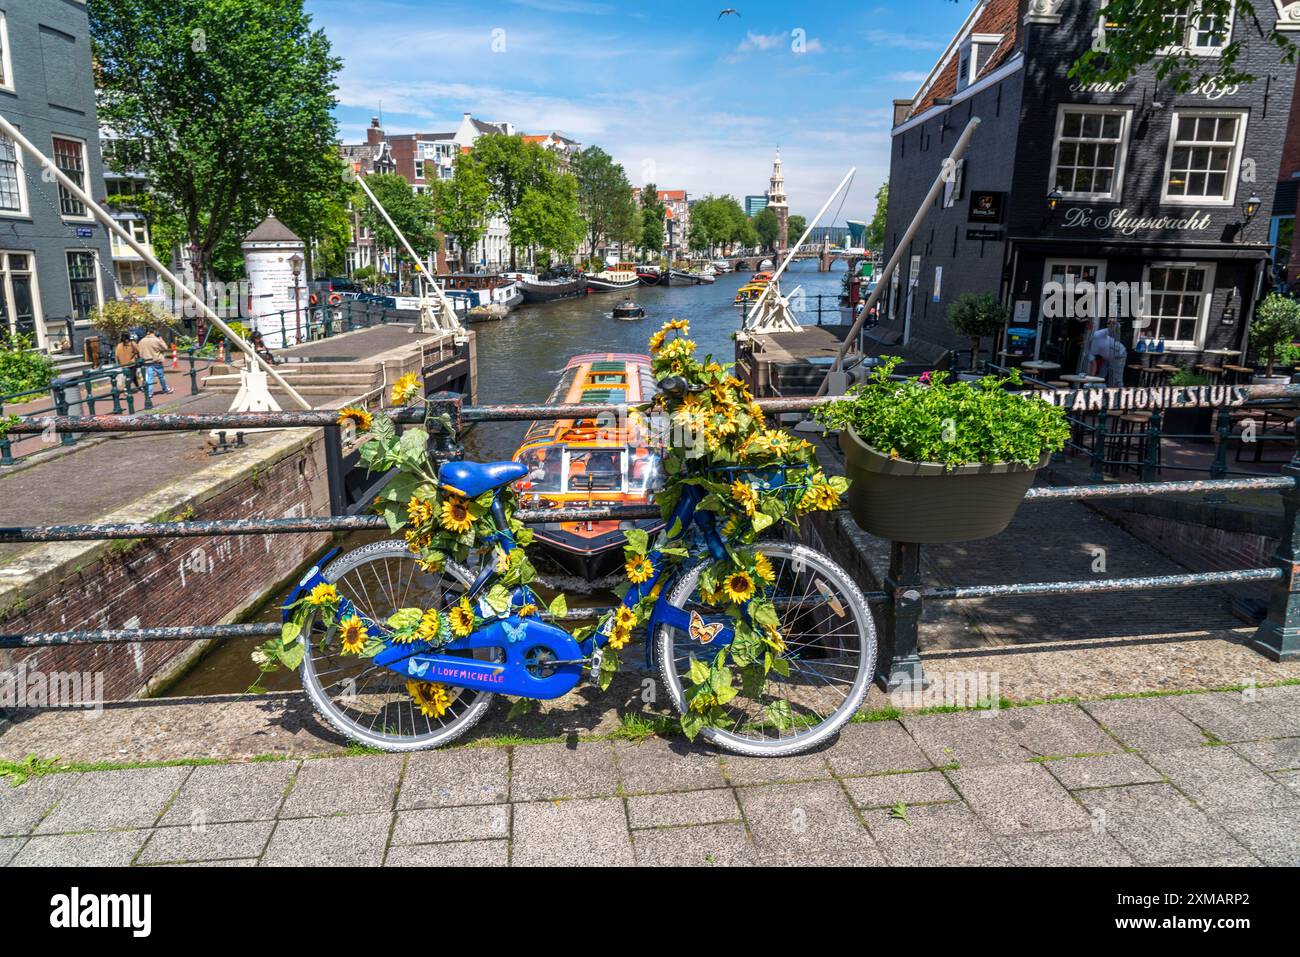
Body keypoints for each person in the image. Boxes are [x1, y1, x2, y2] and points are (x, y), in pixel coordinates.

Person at [1088, 322, 1127, 387]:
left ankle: (1119, 394)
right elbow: (1094, 366)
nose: (1081, 344)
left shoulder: (1096, 335)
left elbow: (1110, 330)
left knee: (1116, 379)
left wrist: (1114, 325)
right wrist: (1088, 380)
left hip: (1119, 354)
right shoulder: (1088, 351)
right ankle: (1096, 391)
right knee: (1100, 376)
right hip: (1108, 358)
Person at [137, 327, 173, 398]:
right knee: (161, 376)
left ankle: (149, 393)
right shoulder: (156, 340)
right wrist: (160, 338)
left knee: (150, 377)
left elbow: (139, 351)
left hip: (147, 361)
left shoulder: (141, 341)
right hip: (156, 361)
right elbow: (165, 348)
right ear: (154, 332)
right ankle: (165, 389)